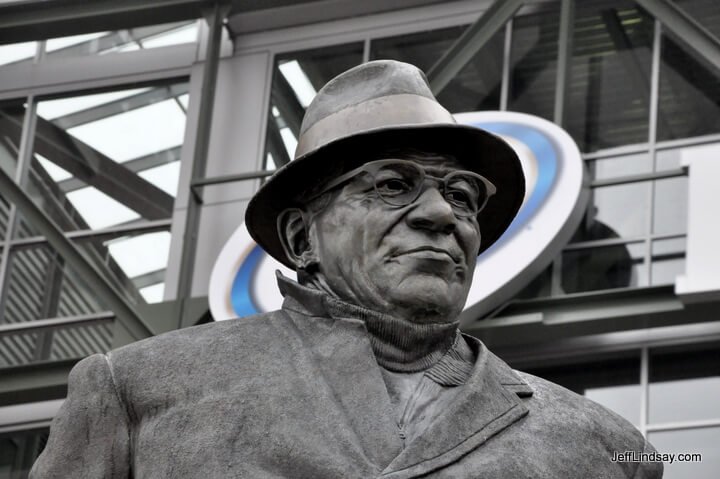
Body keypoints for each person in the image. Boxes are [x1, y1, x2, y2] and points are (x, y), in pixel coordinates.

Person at [30, 60, 662, 478]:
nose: (443, 215)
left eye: (464, 196)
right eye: (393, 186)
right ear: (303, 236)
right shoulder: (138, 391)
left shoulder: (603, 446)